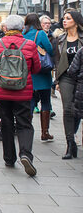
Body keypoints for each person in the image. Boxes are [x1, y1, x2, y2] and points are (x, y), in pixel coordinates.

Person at [0, 15, 40, 176]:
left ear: (6, 28)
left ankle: (9, 158)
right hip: (23, 91)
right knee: (24, 123)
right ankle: (25, 154)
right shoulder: (29, 45)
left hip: (1, 91)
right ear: (22, 28)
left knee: (7, 122)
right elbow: (36, 68)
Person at [53, 10, 83, 159]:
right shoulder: (60, 39)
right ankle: (70, 144)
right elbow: (57, 61)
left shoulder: (82, 38)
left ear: (76, 22)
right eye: (64, 18)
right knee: (67, 109)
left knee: (78, 110)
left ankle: (74, 136)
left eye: (68, 18)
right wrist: (57, 80)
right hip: (66, 76)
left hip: (81, 77)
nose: (64, 21)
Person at [23, 13, 54, 141]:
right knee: (45, 101)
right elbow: (50, 49)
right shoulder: (40, 34)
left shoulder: (23, 34)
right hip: (42, 73)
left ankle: (27, 130)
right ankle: (44, 132)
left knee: (30, 102)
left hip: (29, 73)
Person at [40, 15, 58, 99]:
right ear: (40, 24)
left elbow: (54, 50)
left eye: (49, 23)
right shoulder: (38, 34)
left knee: (48, 81)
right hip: (39, 62)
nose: (47, 25)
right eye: (45, 23)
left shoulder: (53, 35)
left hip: (49, 62)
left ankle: (51, 92)